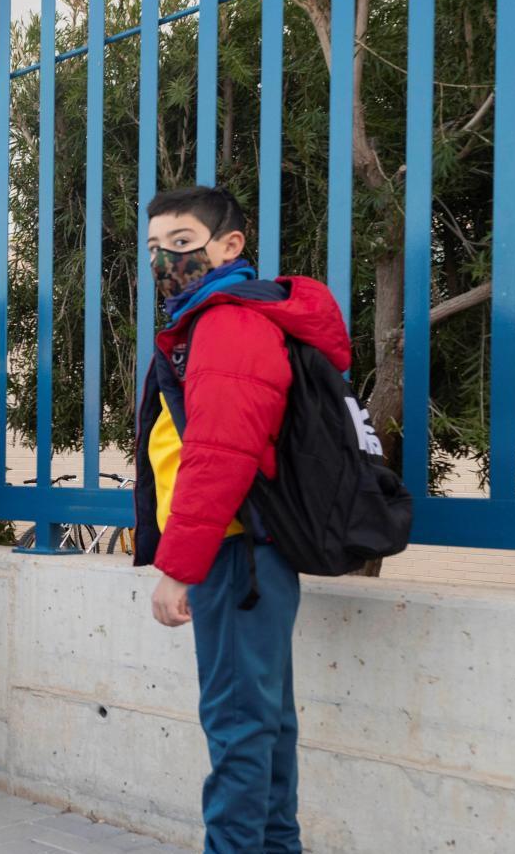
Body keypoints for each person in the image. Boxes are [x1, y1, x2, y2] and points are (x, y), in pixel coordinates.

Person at [134, 186, 347, 854]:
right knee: (264, 724)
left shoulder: (224, 323)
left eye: (183, 244)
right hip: (250, 549)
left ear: (231, 246)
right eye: (154, 249)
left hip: (235, 554)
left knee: (239, 728)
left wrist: (178, 566)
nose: (166, 259)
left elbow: (218, 454)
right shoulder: (217, 318)